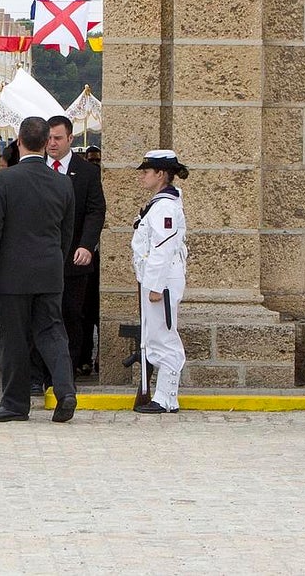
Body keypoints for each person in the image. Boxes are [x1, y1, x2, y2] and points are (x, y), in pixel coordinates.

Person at [0, 117, 78, 423]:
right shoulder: (63, 182)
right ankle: (65, 389)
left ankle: (15, 403)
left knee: (14, 339)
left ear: (18, 142)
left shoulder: (3, 180)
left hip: (13, 274)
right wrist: (54, 261)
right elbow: (66, 233)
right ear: (48, 143)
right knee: (52, 332)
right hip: (49, 271)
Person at [42, 116, 106, 375]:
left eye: (57, 138)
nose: (52, 143)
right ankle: (40, 372)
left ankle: (66, 372)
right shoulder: (37, 169)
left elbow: (95, 210)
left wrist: (87, 245)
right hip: (41, 258)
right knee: (42, 316)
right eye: (48, 138)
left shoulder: (87, 172)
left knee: (71, 315)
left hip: (74, 259)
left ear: (70, 138)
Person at [131, 149, 189, 414]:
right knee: (154, 336)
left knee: (163, 337)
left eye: (147, 171)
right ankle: (164, 397)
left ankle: (166, 397)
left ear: (161, 174)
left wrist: (155, 286)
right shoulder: (160, 203)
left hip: (161, 282)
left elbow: (163, 249)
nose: (143, 176)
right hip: (156, 279)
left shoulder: (165, 206)